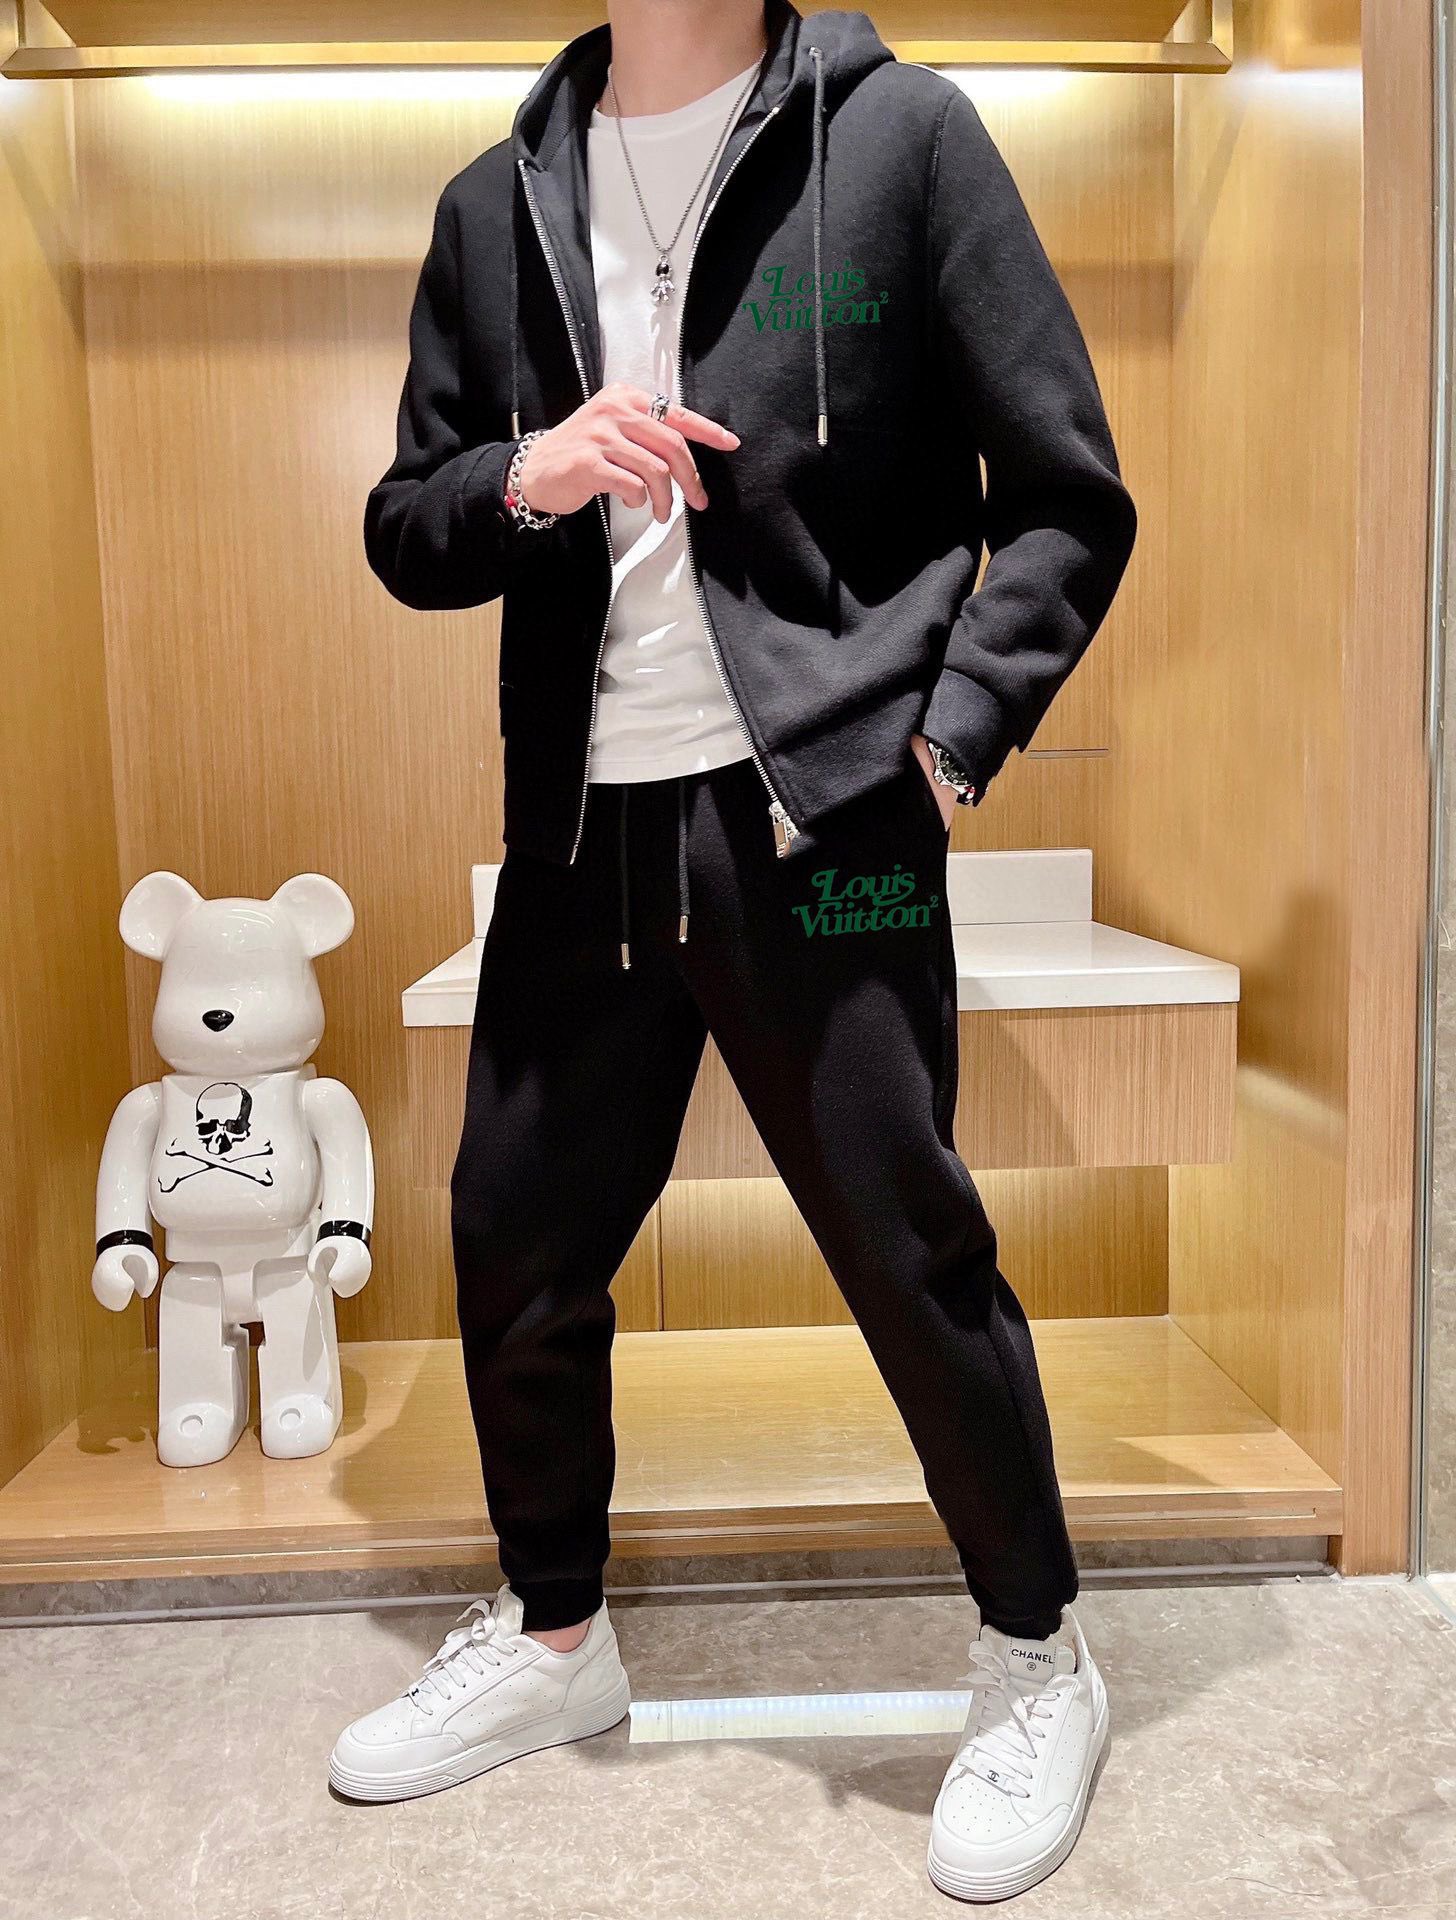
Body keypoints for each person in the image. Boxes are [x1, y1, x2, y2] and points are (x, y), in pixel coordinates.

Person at [333, 0, 1135, 1899]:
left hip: (823, 825)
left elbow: (1067, 495)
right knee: (514, 1239)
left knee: (907, 1248)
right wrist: (528, 470)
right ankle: (556, 1636)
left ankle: (1038, 1655)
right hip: (579, 829)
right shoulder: (493, 203)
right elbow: (407, 523)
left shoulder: (906, 138)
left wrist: (944, 743)